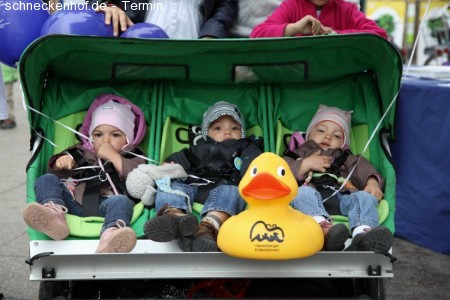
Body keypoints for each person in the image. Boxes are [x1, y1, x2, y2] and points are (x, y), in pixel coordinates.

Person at [23, 95, 147, 253]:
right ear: (90, 137)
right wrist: (60, 162)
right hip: (73, 202)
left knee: (121, 201)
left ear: (128, 139)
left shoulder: (134, 156)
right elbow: (57, 176)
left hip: (108, 205)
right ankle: (54, 216)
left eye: (115, 135)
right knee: (46, 179)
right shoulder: (80, 151)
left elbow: (139, 180)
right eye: (98, 134)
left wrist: (115, 157)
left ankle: (110, 236)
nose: (105, 141)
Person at [144, 101, 263, 252]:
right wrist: (165, 168)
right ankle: (174, 216)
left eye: (234, 128)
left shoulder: (246, 146)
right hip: (192, 186)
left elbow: (255, 165)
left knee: (233, 191)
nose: (227, 132)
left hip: (224, 187)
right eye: (218, 128)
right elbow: (176, 162)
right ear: (207, 133)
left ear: (242, 132)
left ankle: (208, 227)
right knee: (170, 185)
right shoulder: (199, 148)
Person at [284, 105, 393, 253]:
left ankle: (363, 236)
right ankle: (322, 230)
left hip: (343, 199)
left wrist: (372, 182)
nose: (328, 136)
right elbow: (281, 172)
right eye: (321, 130)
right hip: (309, 201)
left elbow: (363, 169)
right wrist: (304, 164)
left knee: (364, 197)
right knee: (301, 192)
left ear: (343, 143)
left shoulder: (345, 157)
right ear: (308, 134)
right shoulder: (295, 154)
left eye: (337, 136)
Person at [95, 0, 238, 38]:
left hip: (193, 51)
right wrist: (110, 5)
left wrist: (212, 33)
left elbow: (226, 3)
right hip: (137, 46)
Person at [250, 0, 387, 38]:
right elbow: (256, 35)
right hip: (296, 80)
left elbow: (380, 34)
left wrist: (333, 34)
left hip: (337, 81)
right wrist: (294, 28)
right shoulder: (291, 5)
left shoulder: (347, 9)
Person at [0, 64, 18, 130]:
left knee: (7, 97)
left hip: (7, 75)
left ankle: (9, 118)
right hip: (6, 73)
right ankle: (3, 117)